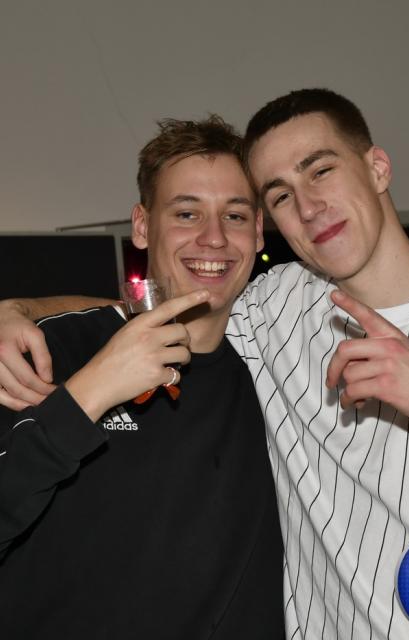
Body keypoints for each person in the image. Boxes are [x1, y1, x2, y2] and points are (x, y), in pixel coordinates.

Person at [0, 90, 409, 640]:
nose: (310, 205)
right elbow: (159, 304)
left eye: (321, 170)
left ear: (377, 168)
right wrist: (19, 310)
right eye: (281, 195)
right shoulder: (274, 311)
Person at [0, 117, 286, 639]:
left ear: (258, 231)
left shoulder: (275, 365)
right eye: (186, 213)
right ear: (142, 225)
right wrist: (90, 392)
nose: (214, 237)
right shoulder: (48, 351)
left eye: (235, 215)